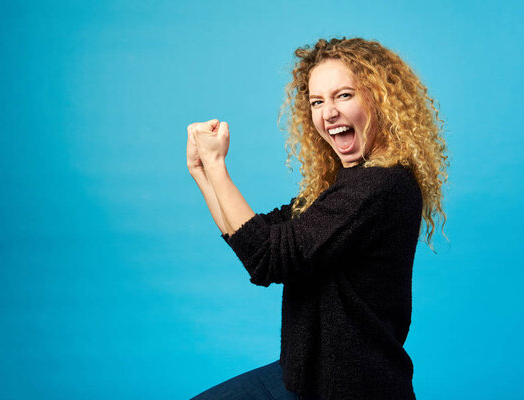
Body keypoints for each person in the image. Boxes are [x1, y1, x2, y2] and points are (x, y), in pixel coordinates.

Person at [186, 37, 448, 400]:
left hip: (351, 390)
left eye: (343, 95)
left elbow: (267, 256)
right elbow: (257, 235)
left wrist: (216, 166)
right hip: (302, 378)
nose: (328, 113)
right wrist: (202, 172)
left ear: (379, 97)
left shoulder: (379, 187)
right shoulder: (354, 182)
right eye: (317, 101)